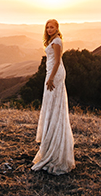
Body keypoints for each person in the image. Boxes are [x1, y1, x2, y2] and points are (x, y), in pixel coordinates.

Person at [32, 18, 75, 174]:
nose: (49, 29)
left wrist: (50, 78)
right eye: (47, 27)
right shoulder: (52, 39)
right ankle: (50, 142)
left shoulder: (56, 41)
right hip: (51, 73)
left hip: (54, 74)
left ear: (57, 28)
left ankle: (55, 148)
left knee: (54, 105)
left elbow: (57, 62)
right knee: (51, 106)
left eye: (52, 27)